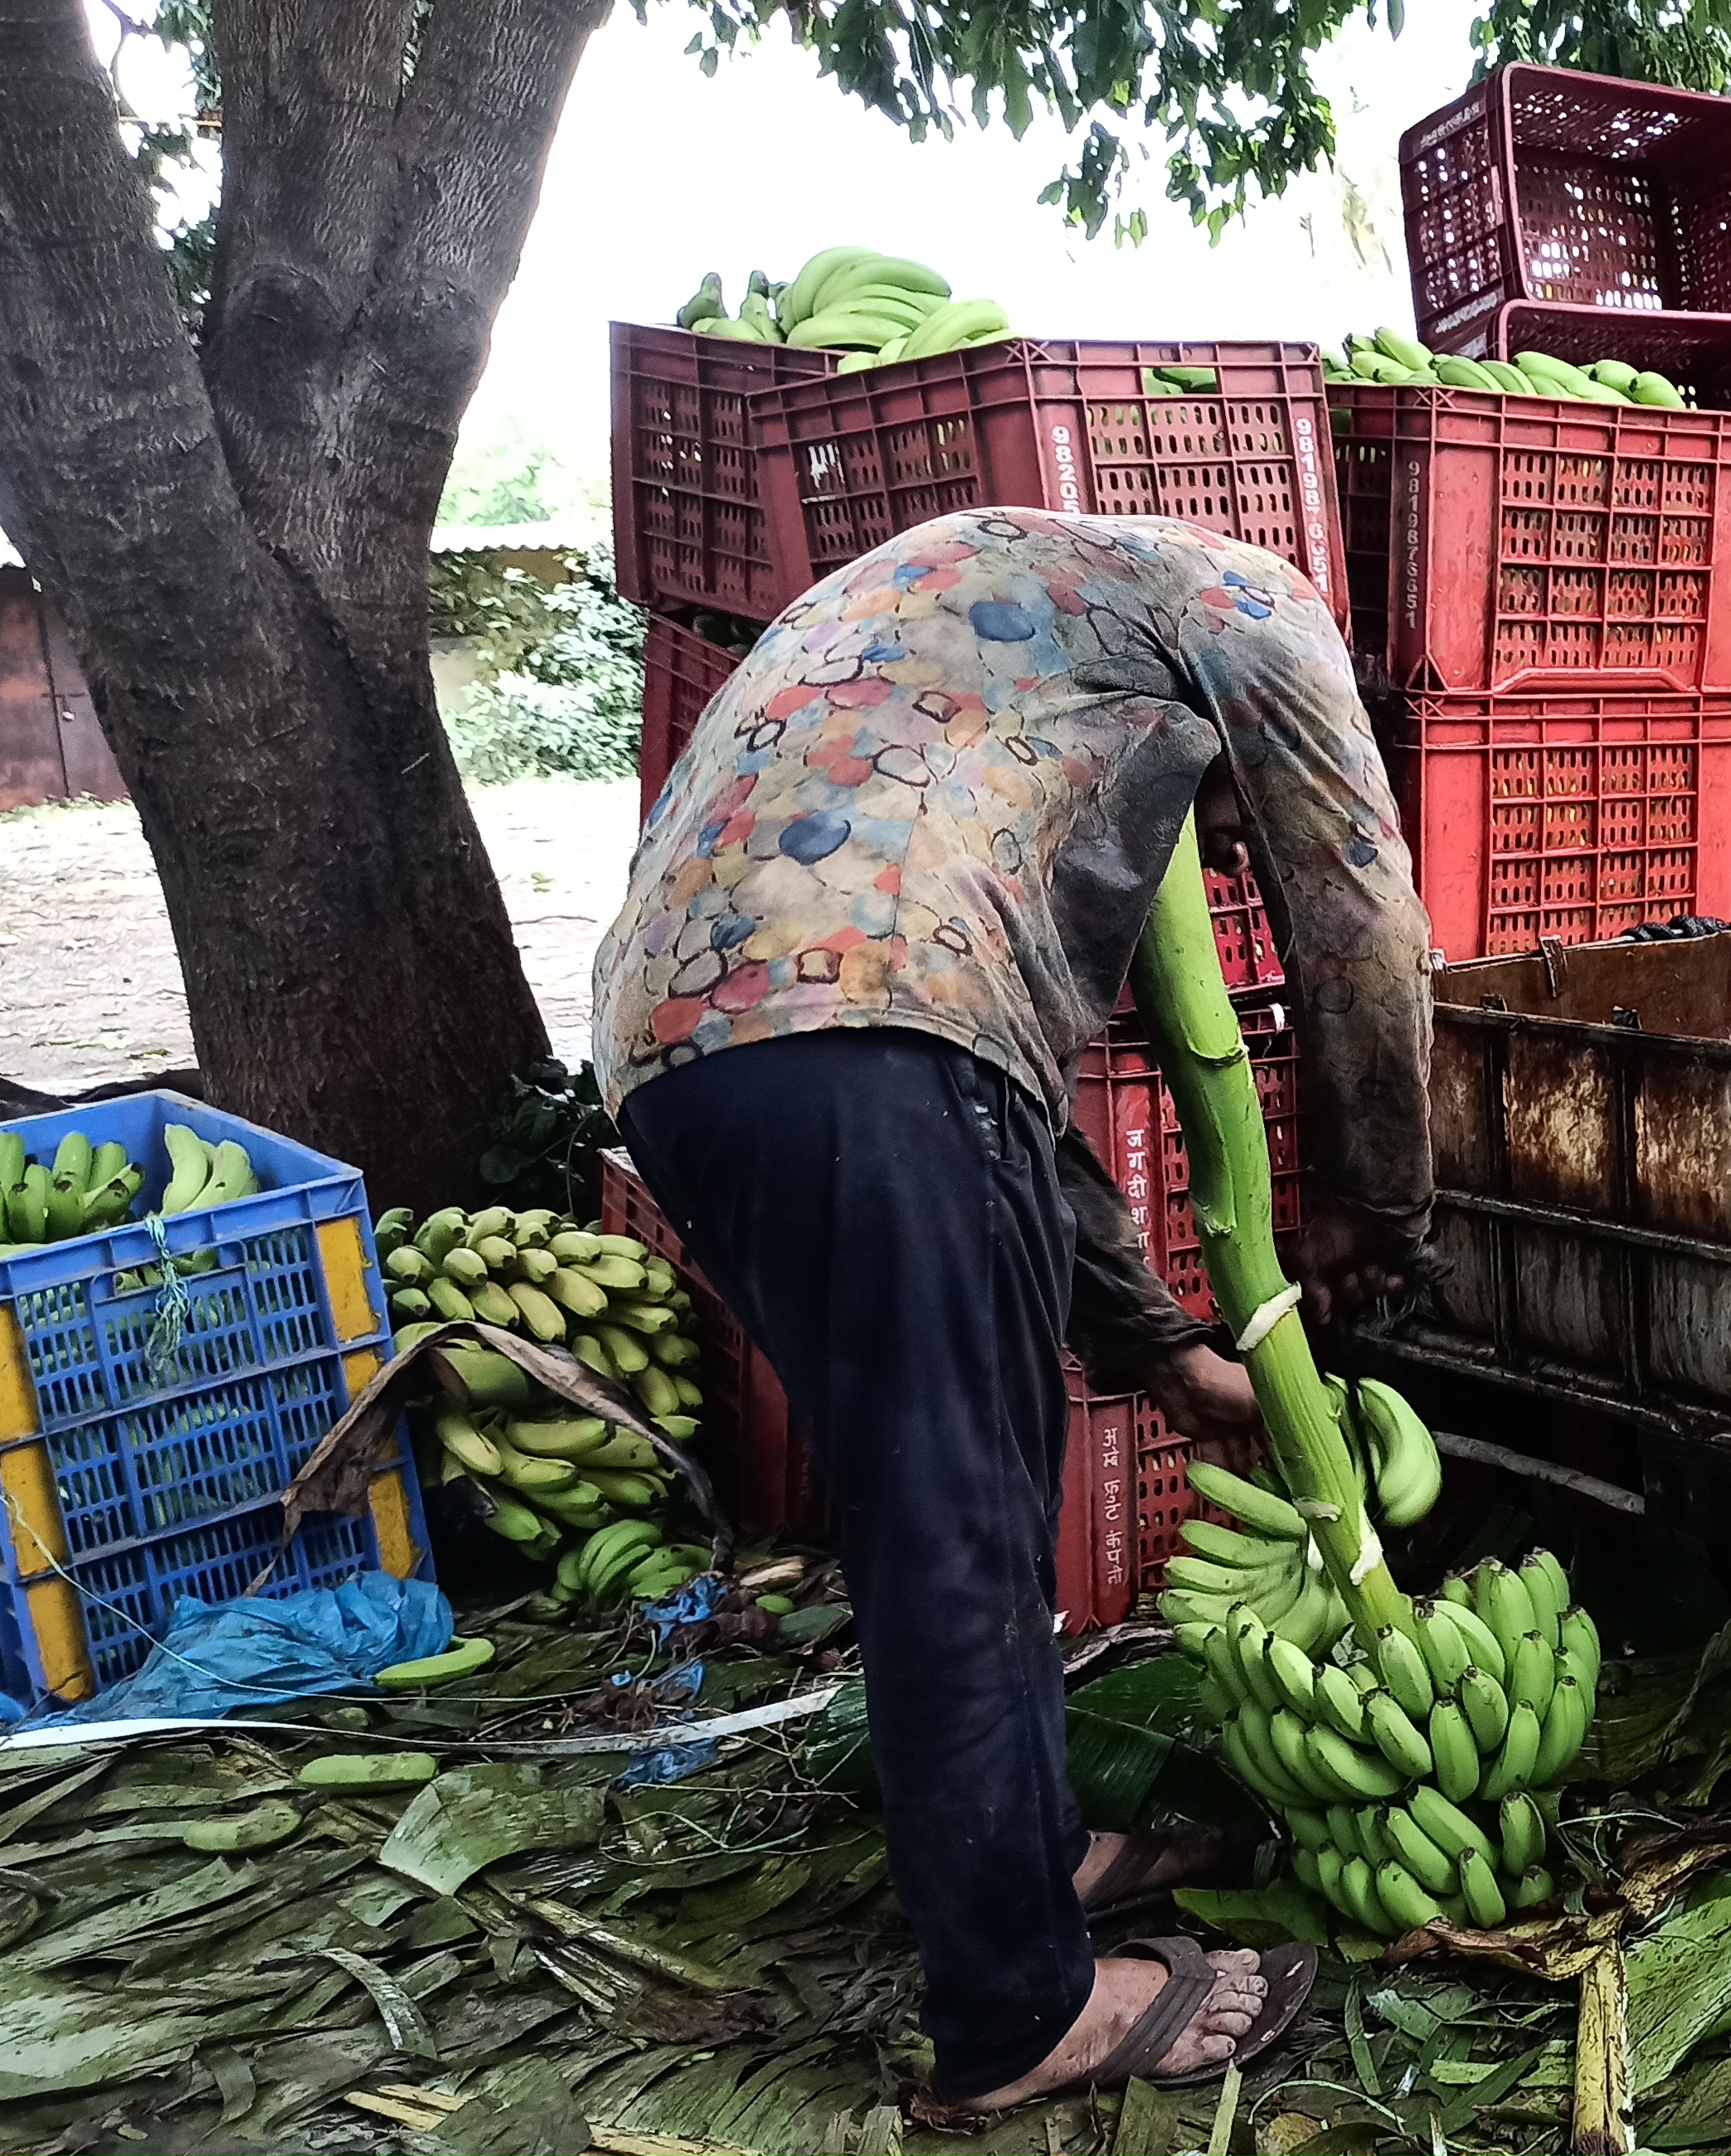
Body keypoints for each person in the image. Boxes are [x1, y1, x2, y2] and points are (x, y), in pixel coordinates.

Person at [591, 507, 1441, 2117]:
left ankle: (1035, 1856)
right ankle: (1015, 2012)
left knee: (963, 1469)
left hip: (691, 1041)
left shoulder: (988, 603)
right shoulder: (1261, 611)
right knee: (960, 1521)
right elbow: (1362, 922)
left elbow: (989, 1089)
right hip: (866, 1035)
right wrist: (1373, 1221)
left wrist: (1152, 1343)